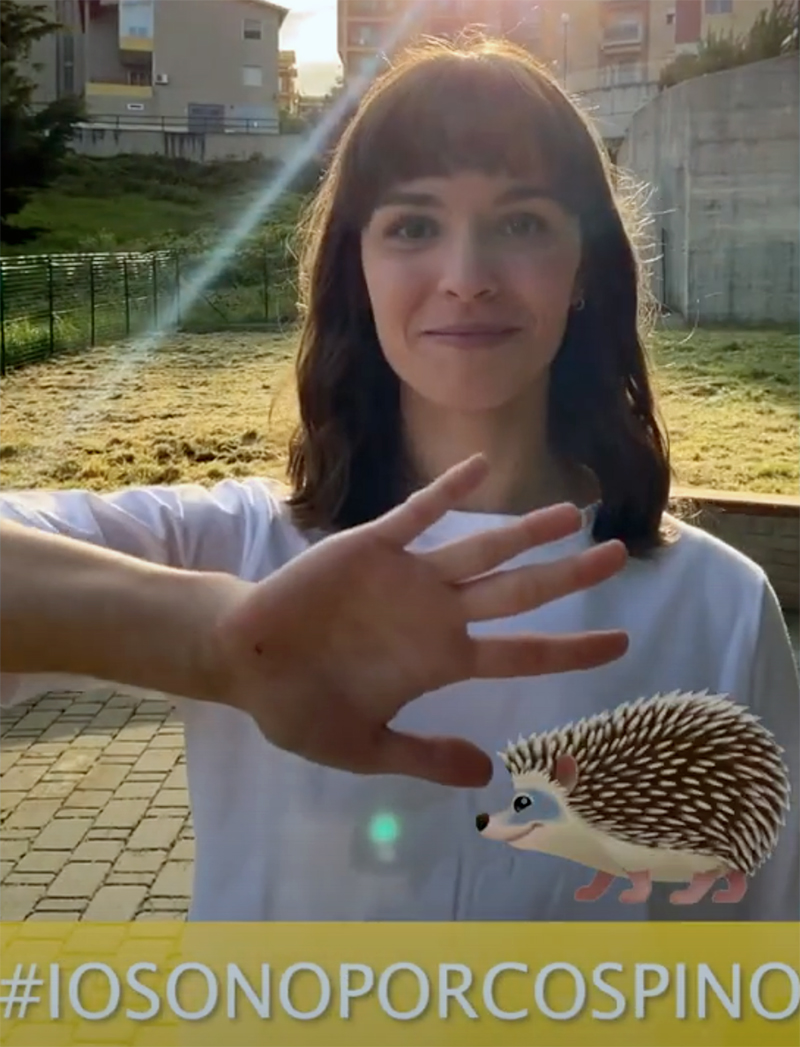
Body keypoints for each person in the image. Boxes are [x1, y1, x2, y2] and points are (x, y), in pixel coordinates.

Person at [1, 36, 797, 924]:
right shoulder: (231, 549)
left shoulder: (721, 607)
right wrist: (225, 643)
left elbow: (755, 968)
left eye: (522, 222)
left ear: (585, 268)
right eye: (414, 225)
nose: (466, 280)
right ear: (358, 270)